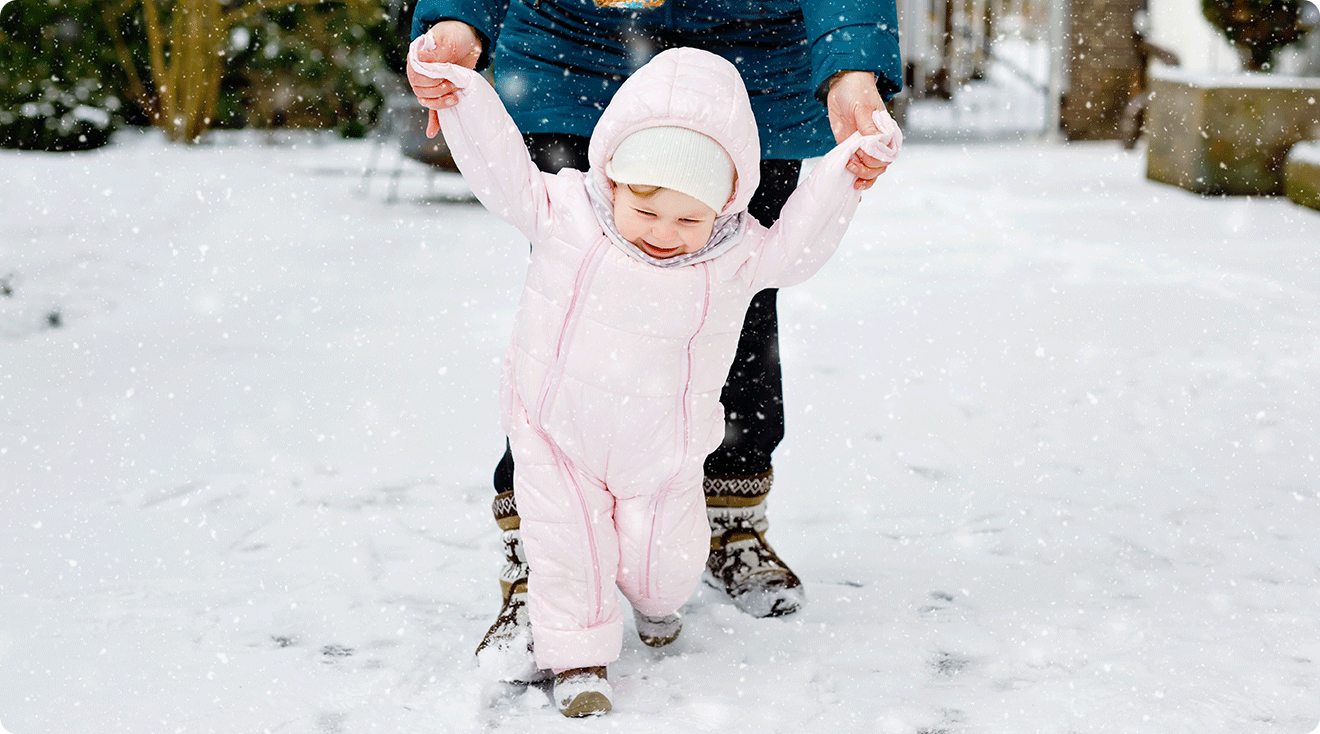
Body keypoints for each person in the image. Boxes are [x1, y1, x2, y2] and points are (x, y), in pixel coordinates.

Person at [407, 0, 902, 684]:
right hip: (573, 48)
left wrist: (852, 61)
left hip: (751, 65)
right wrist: (461, 19)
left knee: (739, 309)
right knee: (573, 318)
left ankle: (729, 510)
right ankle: (544, 553)